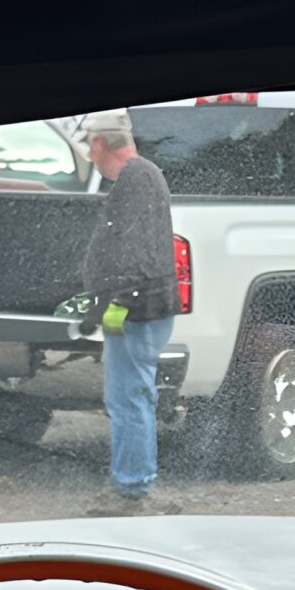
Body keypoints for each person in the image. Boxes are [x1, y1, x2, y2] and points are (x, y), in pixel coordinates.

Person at [83, 109, 179, 512]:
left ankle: (133, 488)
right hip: (141, 306)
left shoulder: (136, 179)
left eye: (90, 145)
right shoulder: (143, 174)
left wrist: (111, 310)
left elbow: (133, 254)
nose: (89, 154)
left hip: (135, 310)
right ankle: (135, 481)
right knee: (132, 393)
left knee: (127, 397)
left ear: (101, 144)